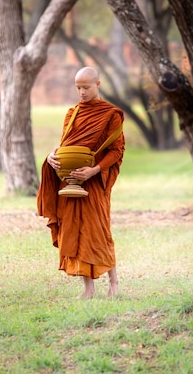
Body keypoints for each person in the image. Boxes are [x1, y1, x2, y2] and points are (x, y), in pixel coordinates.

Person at [37, 66, 125, 299]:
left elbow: (117, 151)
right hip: (71, 179)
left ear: (98, 84)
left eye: (86, 87)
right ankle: (88, 288)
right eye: (78, 88)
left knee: (99, 230)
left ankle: (114, 283)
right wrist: (51, 156)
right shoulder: (72, 113)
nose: (82, 92)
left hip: (94, 181)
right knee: (78, 231)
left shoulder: (111, 115)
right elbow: (65, 144)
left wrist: (94, 170)